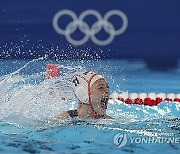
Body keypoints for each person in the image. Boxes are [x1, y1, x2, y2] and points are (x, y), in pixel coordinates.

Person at [46, 71, 113, 121]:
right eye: (100, 88)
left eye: (107, 87)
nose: (107, 91)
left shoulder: (108, 120)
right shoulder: (65, 119)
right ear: (84, 93)